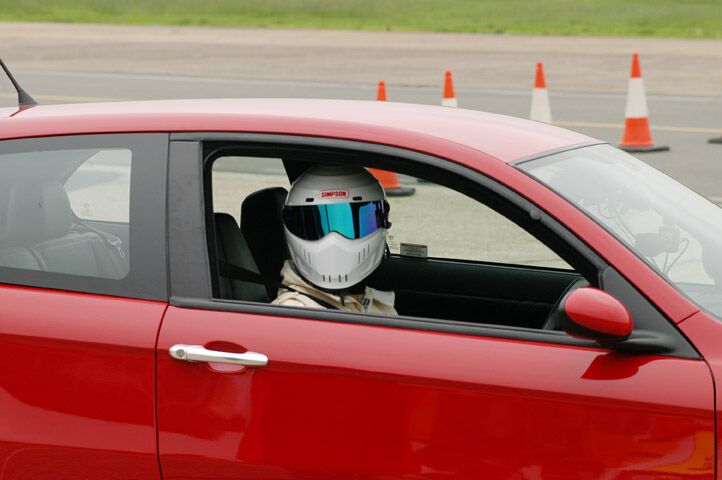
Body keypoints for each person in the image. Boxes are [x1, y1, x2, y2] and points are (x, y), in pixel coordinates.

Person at [273, 165, 397, 315]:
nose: (334, 241)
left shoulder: (374, 303)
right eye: (317, 227)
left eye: (347, 225)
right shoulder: (294, 315)